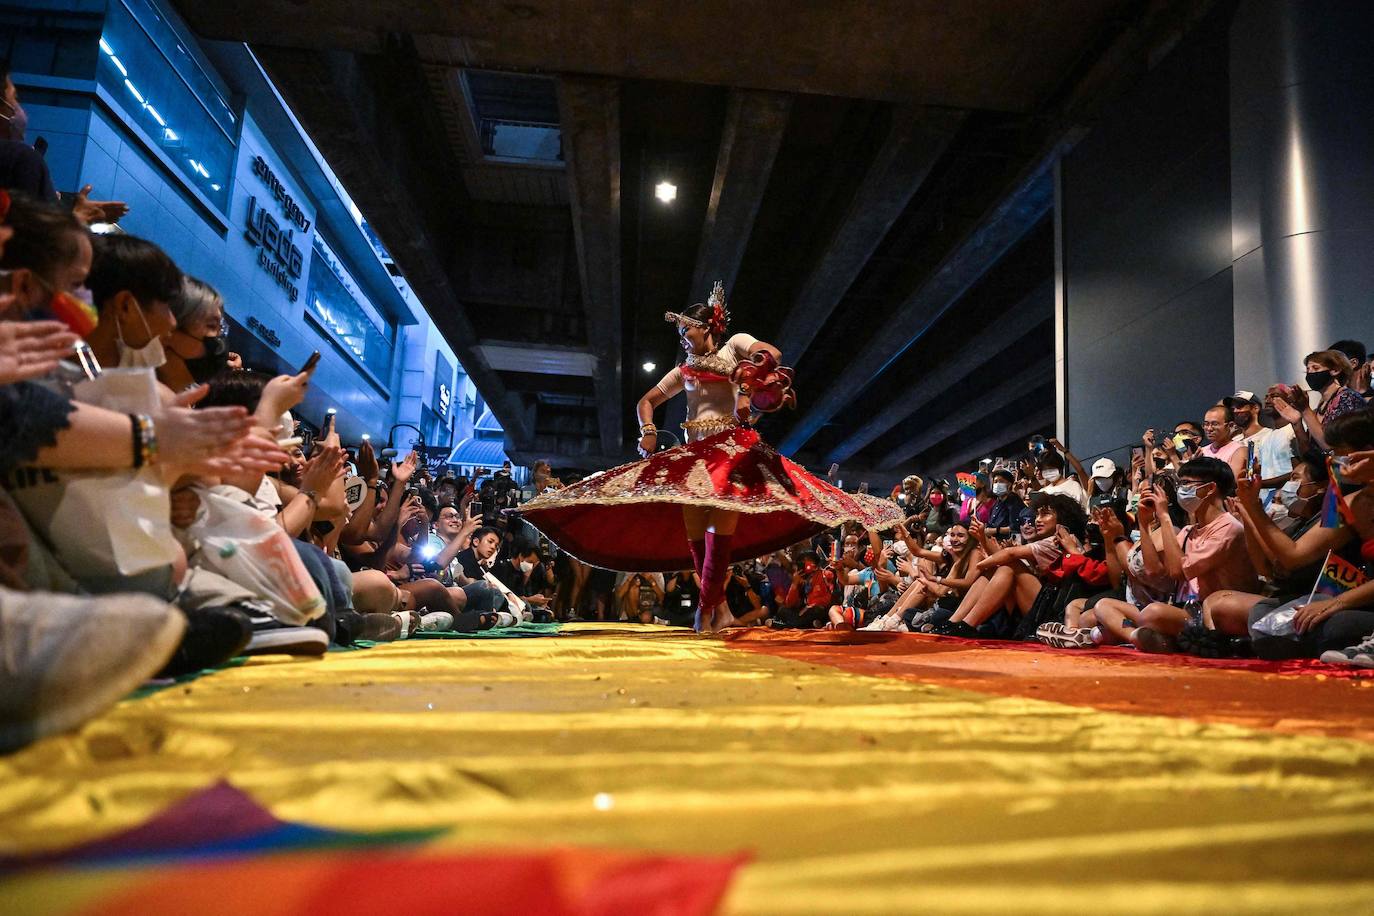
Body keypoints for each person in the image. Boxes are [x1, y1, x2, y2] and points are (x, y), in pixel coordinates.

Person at [521, 281, 901, 632]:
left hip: (732, 452)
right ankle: (719, 609)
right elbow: (647, 401)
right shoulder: (682, 369)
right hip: (693, 454)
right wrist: (648, 432)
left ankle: (706, 611)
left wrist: (757, 364)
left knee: (718, 529)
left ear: (706, 327)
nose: (683, 339)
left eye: (686, 330)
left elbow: (770, 352)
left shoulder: (733, 345)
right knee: (695, 535)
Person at [160, 276, 240, 390]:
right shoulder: (129, 394)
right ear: (168, 329)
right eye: (211, 326)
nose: (220, 341)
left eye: (221, 329)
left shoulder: (189, 402)